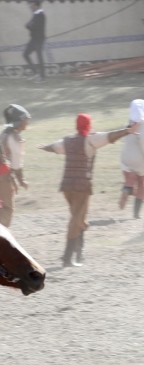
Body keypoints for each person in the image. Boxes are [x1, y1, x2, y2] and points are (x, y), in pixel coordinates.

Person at [39, 114, 138, 267]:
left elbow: (54, 147)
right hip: (81, 187)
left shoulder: (67, 141)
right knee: (76, 219)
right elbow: (110, 136)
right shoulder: (91, 140)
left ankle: (79, 253)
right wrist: (127, 131)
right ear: (88, 125)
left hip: (67, 186)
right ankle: (67, 257)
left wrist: (44, 147)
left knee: (79, 217)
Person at [0, 104, 31, 226]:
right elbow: (16, 163)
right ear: (20, 121)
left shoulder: (3, 134)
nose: (27, 122)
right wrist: (22, 180)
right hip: (4, 179)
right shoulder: (14, 137)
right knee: (6, 210)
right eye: (26, 119)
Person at [119, 99, 144, 219]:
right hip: (139, 158)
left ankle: (127, 188)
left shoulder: (129, 124)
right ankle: (136, 214)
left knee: (130, 179)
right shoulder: (142, 125)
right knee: (142, 185)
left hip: (126, 158)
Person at [23, 0, 46, 83]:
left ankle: (42, 77)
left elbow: (34, 26)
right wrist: (29, 25)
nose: (30, 6)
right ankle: (35, 73)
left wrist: (29, 26)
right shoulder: (36, 14)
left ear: (36, 5)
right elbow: (31, 25)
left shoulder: (41, 15)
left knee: (39, 57)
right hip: (33, 39)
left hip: (39, 39)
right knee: (25, 54)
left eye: (31, 4)